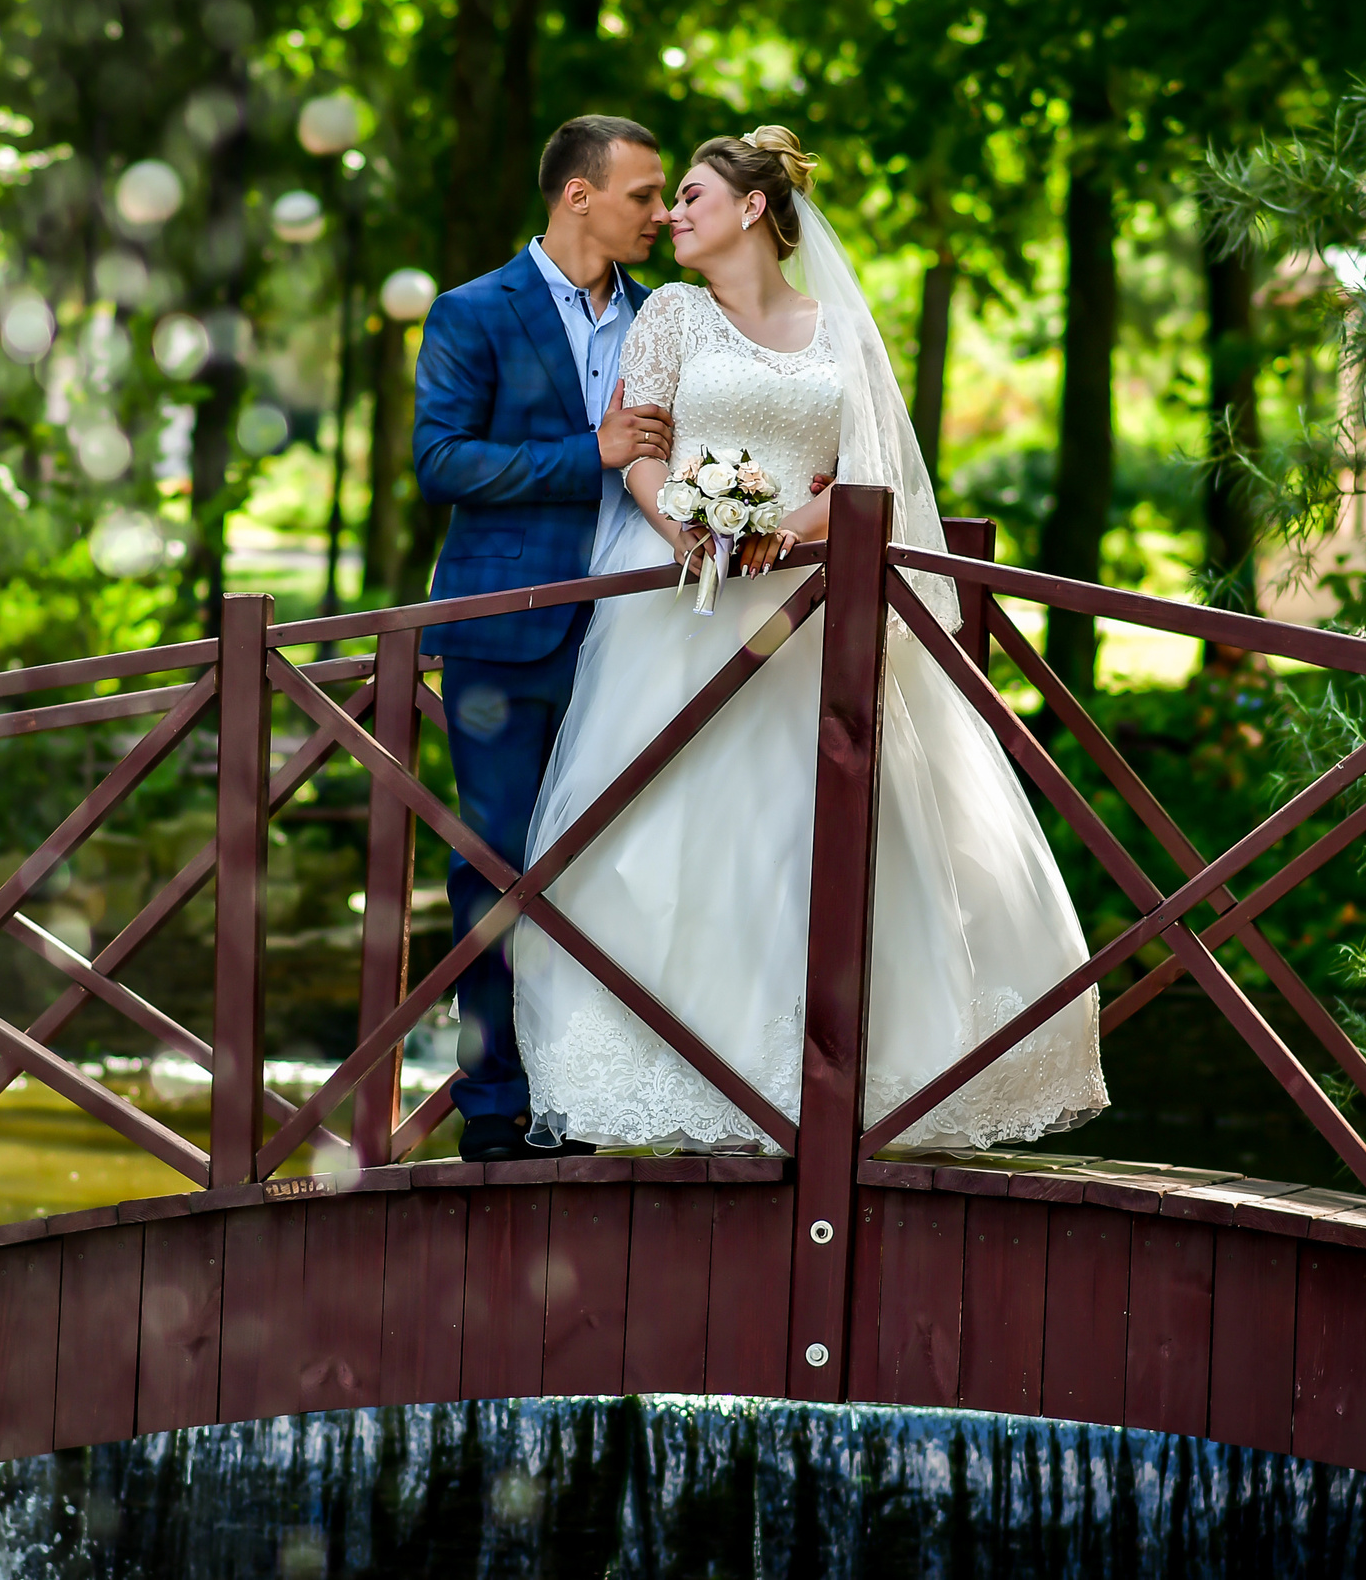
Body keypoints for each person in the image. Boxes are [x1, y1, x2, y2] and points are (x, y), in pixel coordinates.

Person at [511, 127, 1110, 1153]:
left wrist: (785, 531)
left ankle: (820, 1079)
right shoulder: (670, 314)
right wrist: (689, 528)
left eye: (690, 196)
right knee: (675, 829)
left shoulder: (837, 330)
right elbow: (642, 451)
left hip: (805, 623)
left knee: (800, 834)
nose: (671, 216)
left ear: (750, 209)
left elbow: (866, 479)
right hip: (683, 615)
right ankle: (681, 1068)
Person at [411, 114, 677, 1161]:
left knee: (606, 864)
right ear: (578, 195)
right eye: (642, 195)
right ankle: (493, 1109)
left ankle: (592, 1092)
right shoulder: (472, 312)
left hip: (637, 635)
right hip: (503, 632)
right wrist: (589, 452)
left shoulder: (667, 319)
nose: (658, 215)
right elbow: (442, 461)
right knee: (496, 868)